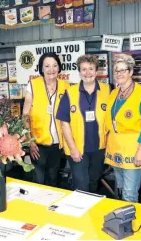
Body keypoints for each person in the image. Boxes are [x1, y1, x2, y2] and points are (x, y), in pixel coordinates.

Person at [56, 55, 110, 192]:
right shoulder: (70, 93)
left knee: (93, 181)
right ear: (79, 72)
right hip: (77, 149)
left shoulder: (107, 90)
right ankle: (79, 210)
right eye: (84, 69)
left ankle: (90, 211)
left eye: (91, 69)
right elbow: (64, 123)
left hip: (99, 148)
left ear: (96, 71)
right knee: (81, 184)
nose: (88, 73)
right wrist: (73, 148)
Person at [105, 53, 141, 203]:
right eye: (116, 70)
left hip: (134, 150)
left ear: (130, 72)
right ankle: (122, 221)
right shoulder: (113, 94)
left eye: (123, 70)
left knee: (130, 193)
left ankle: (130, 225)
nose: (119, 74)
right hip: (116, 150)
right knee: (121, 189)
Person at [23, 52, 69, 187]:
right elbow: (24, 115)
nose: (51, 69)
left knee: (53, 178)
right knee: (38, 179)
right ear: (41, 68)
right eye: (47, 66)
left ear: (59, 68)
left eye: (55, 65)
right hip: (38, 143)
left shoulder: (66, 86)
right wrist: (30, 141)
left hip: (57, 143)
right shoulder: (33, 85)